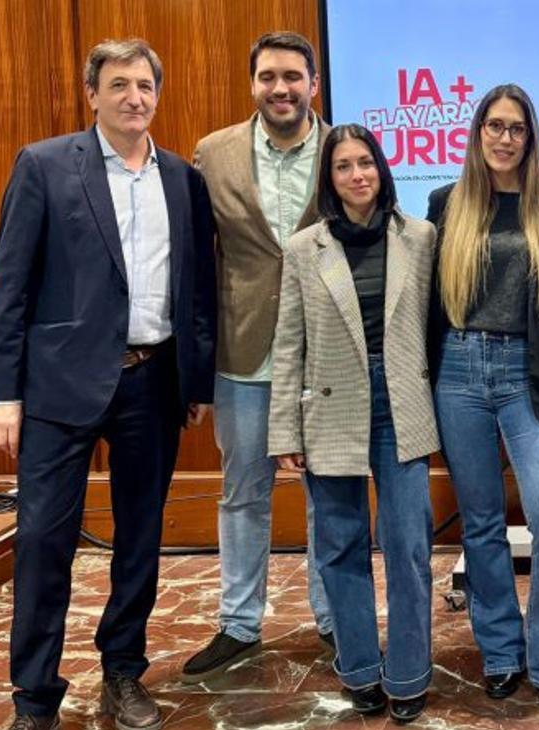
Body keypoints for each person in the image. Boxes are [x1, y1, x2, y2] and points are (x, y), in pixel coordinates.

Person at [0, 39, 216, 730]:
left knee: (141, 537)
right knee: (43, 542)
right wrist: (1, 391)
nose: (134, 97)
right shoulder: (44, 165)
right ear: (93, 92)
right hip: (57, 389)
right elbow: (9, 285)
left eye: (146, 85)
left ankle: (123, 670)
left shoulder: (182, 177)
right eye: (119, 84)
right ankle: (34, 699)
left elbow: (198, 287)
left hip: (154, 381)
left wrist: (197, 380)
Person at [426, 84, 539, 713]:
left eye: (516, 128)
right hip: (460, 372)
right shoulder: (446, 203)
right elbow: (427, 306)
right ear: (477, 134)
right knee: (481, 523)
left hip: (533, 371)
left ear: (531, 138)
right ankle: (501, 651)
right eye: (493, 126)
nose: (504, 138)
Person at [268, 125, 438, 724]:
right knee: (339, 546)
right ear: (329, 179)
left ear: (382, 169)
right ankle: (361, 669)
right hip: (331, 406)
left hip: (401, 403)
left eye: (365, 163)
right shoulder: (303, 247)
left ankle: (411, 672)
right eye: (343, 167)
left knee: (409, 544)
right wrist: (284, 432)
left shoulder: (420, 237)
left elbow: (432, 329)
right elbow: (288, 343)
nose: (357, 175)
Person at [182, 31, 334, 681]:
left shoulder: (345, 150)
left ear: (313, 85)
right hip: (242, 353)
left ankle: (336, 618)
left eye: (293, 76)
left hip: (327, 358)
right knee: (243, 492)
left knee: (332, 494)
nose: (281, 87)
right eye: (269, 76)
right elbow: (194, 262)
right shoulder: (212, 154)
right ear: (252, 84)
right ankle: (239, 624)